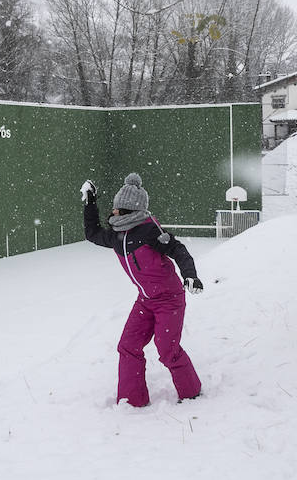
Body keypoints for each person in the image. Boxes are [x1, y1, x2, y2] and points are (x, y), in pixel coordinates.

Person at [83, 172, 205, 407]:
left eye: (118, 209)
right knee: (128, 346)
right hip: (145, 301)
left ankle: (192, 393)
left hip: (169, 299)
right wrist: (90, 203)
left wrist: (190, 275)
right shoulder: (117, 236)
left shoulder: (150, 231)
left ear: (130, 210)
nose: (114, 212)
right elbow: (92, 234)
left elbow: (177, 250)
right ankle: (132, 400)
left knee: (167, 350)